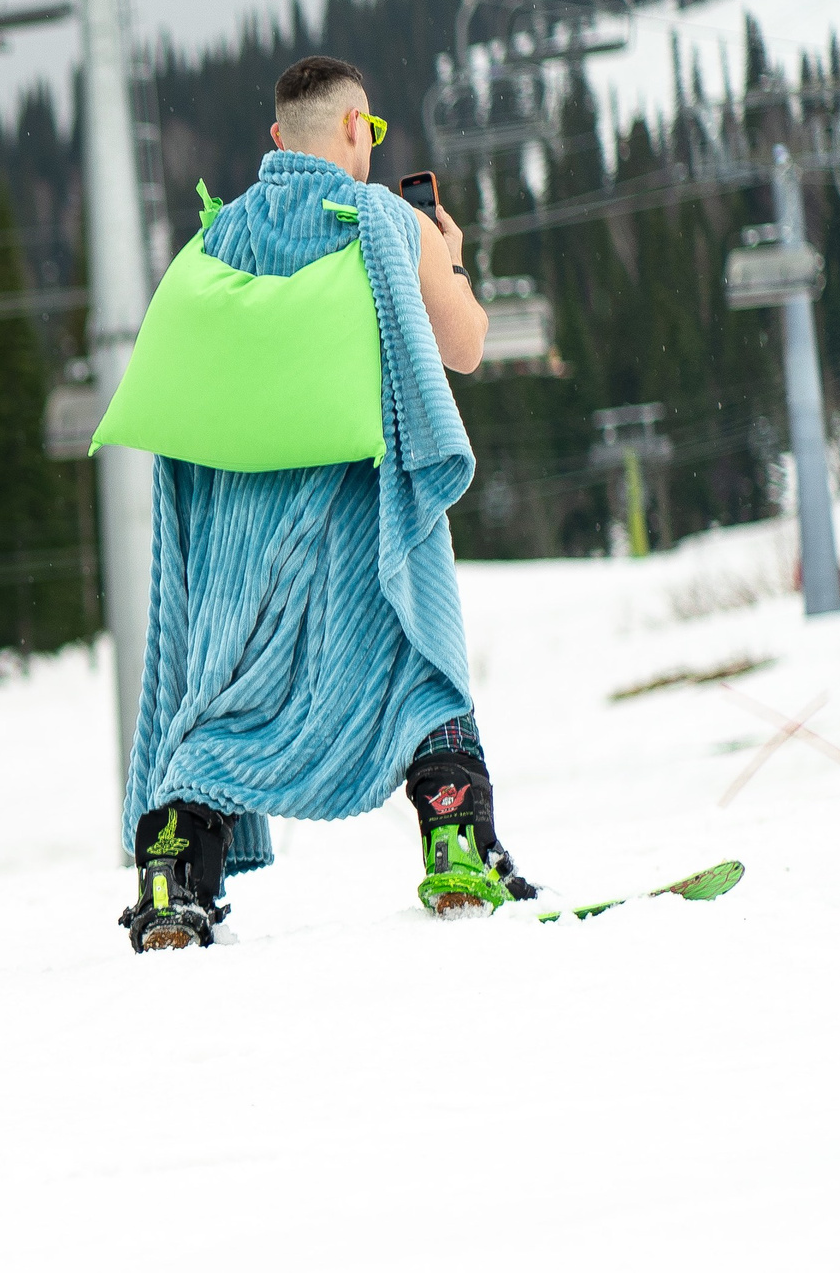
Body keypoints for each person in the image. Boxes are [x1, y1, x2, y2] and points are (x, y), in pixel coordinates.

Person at [113, 54, 537, 951]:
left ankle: (174, 881)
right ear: (354, 128)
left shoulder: (216, 241)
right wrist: (451, 260)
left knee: (222, 705)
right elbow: (465, 346)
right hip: (359, 518)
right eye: (370, 130)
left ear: (278, 139)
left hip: (243, 542)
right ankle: (457, 841)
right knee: (419, 670)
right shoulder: (387, 220)